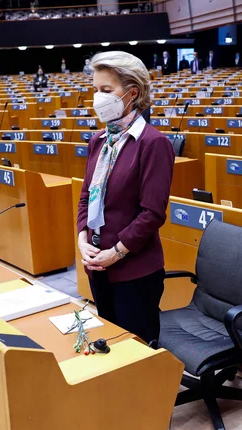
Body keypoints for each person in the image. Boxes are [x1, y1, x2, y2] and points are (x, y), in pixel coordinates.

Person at [76, 51, 174, 344]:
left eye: (106, 91)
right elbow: (85, 197)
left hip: (134, 272)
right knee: (111, 349)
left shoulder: (153, 144)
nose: (98, 98)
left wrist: (115, 253)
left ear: (132, 93)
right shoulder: (99, 141)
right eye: (95, 90)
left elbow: (152, 213)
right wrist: (82, 239)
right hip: (98, 268)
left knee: (136, 352)